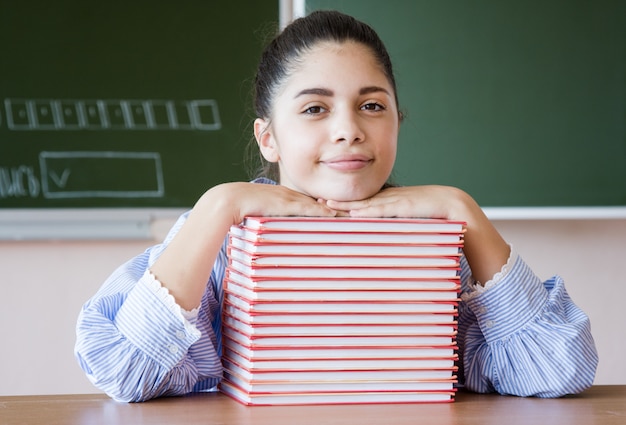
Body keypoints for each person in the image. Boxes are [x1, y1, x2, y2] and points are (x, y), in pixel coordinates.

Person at [74, 10, 598, 402]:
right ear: (268, 138)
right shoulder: (219, 240)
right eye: (315, 108)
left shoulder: (442, 245)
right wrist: (218, 205)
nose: (349, 129)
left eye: (372, 106)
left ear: (397, 123)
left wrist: (464, 211)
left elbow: (556, 371)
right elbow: (124, 373)